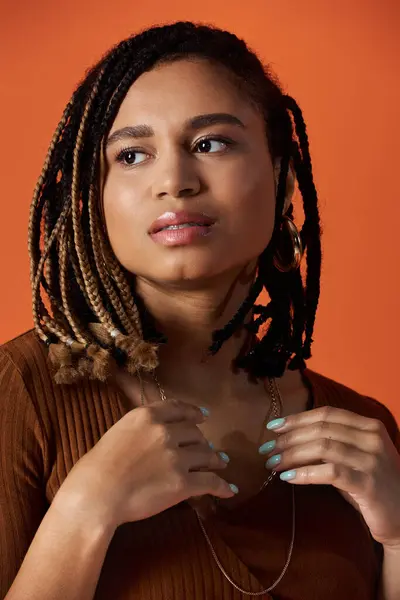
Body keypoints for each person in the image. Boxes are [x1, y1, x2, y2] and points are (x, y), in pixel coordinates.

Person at [0, 20, 399, 600]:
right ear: (94, 197)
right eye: (133, 155)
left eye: (211, 143)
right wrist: (85, 512)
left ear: (283, 176)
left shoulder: (366, 433)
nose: (174, 181)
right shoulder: (23, 393)